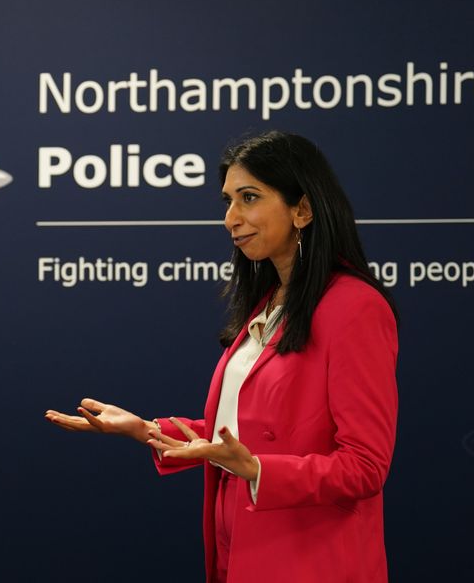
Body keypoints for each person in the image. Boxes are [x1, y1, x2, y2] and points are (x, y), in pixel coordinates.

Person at [46, 131, 399, 583]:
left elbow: (364, 467)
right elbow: (240, 435)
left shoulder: (356, 307)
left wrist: (255, 469)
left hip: (312, 562)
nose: (231, 218)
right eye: (228, 201)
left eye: (248, 198)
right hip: (239, 554)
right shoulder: (271, 301)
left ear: (303, 209)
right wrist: (147, 430)